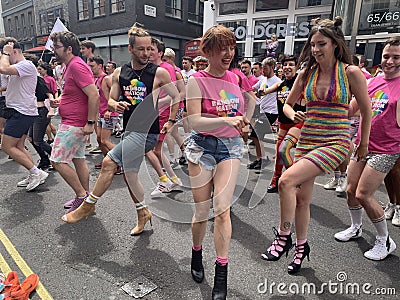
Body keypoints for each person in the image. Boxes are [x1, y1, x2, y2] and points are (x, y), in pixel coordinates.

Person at [261, 17, 371, 274]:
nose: (315, 50)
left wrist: (363, 144)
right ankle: (301, 249)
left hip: (335, 141)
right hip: (308, 140)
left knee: (286, 182)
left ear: (335, 44)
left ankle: (282, 237)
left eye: (321, 44)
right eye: (312, 45)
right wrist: (292, 114)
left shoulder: (350, 72)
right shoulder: (307, 73)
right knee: (301, 200)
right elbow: (288, 104)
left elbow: (366, 109)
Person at [61, 25, 180, 237]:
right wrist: (115, 105)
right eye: (141, 49)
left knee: (109, 162)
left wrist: (171, 121)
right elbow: (113, 98)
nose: (146, 54)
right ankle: (143, 212)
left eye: (149, 49)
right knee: (131, 176)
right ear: (131, 49)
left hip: (148, 133)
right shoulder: (120, 73)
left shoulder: (159, 73)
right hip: (129, 130)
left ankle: (88, 206)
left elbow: (176, 96)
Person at [186, 25, 254, 299]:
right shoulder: (196, 80)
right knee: (202, 211)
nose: (228, 53)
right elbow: (193, 121)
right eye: (221, 48)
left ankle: (221, 273)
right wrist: (226, 120)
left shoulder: (237, 79)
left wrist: (245, 123)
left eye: (232, 47)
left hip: (230, 148)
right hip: (202, 147)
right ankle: (196, 252)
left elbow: (248, 105)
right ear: (208, 51)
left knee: (222, 210)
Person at [335, 36, 400, 260]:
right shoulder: (372, 82)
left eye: (396, 57)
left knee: (364, 194)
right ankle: (356, 227)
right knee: (350, 190)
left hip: (386, 149)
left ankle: (385, 240)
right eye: (386, 56)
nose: (389, 61)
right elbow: (351, 109)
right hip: (362, 145)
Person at [49, 31, 99, 212]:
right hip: (73, 121)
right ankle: (87, 199)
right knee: (78, 159)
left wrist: (91, 123)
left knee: (56, 161)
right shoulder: (69, 66)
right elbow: (76, 94)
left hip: (74, 123)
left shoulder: (77, 66)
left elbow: (94, 94)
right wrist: (60, 101)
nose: (54, 50)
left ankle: (81, 196)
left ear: (69, 49)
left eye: (57, 46)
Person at [0, 37, 49, 191]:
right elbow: (6, 84)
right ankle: (35, 173)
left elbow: (3, 69)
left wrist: (5, 55)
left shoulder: (26, 65)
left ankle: (36, 173)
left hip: (22, 112)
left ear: (13, 51)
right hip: (21, 111)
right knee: (19, 145)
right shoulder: (19, 67)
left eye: (5, 54)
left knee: (7, 146)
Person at [260, 55, 306, 193]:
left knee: (283, 150)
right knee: (279, 155)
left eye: (291, 64)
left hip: (297, 123)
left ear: (296, 67)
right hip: (283, 124)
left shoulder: (301, 83)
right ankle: (276, 180)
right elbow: (268, 89)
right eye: (285, 65)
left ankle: (295, 181)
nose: (287, 67)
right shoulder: (282, 84)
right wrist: (263, 91)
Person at [87, 56, 120, 172]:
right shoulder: (96, 79)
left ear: (100, 66)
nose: (90, 68)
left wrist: (110, 110)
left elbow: (116, 94)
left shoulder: (106, 79)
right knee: (100, 140)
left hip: (109, 113)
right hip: (100, 114)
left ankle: (121, 161)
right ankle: (108, 160)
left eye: (92, 66)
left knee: (105, 141)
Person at [248, 57, 281, 170]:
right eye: (263, 69)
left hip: (271, 112)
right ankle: (260, 159)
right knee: (256, 137)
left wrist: (259, 93)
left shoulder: (277, 81)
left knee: (256, 135)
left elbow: (264, 92)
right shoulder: (263, 80)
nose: (263, 71)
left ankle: (263, 159)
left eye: (266, 68)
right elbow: (253, 89)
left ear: (272, 67)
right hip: (263, 111)